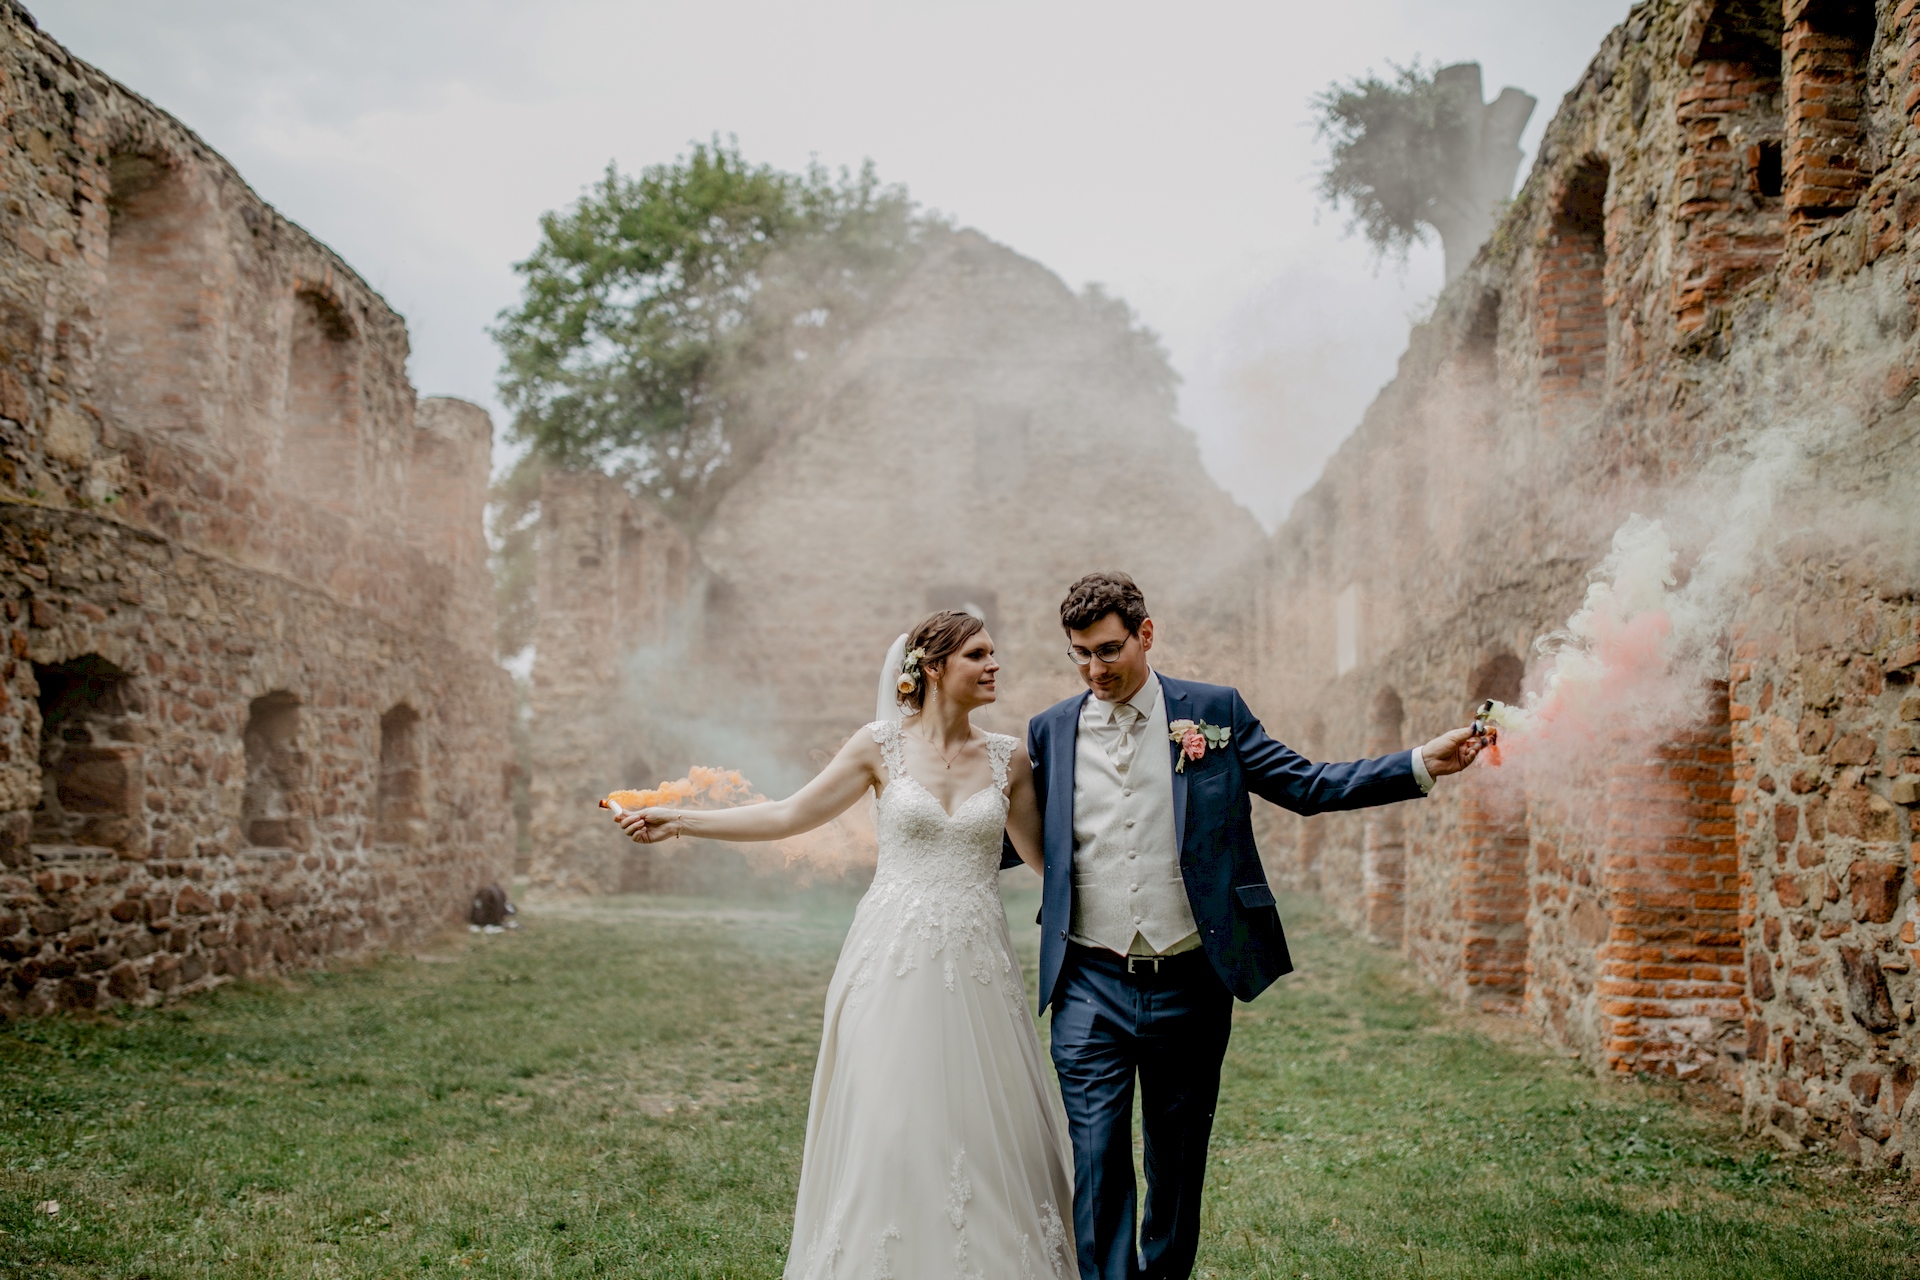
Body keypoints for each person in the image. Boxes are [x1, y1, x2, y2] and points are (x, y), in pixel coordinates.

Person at [1027, 571, 1483, 1280]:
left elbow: (1306, 785)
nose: (1094, 670)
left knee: (1176, 1168)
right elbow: (1016, 836)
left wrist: (1419, 762)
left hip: (1189, 981)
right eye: (1079, 655)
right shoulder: (1050, 730)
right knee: (1096, 1165)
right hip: (1089, 980)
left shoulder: (1214, 712)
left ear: (1146, 635)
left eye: (1108, 650)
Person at [616, 609, 1076, 1279]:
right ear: (936, 667)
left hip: (980, 965)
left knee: (988, 1127)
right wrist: (679, 820)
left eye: (992, 653)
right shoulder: (878, 746)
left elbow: (1050, 866)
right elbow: (787, 814)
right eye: (979, 654)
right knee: (891, 1119)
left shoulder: (1012, 758)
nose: (994, 665)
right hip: (891, 958)